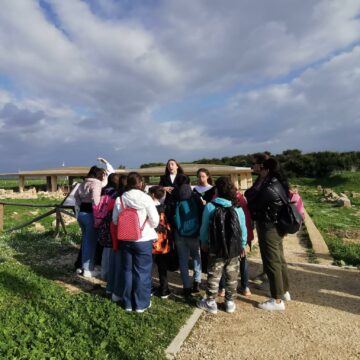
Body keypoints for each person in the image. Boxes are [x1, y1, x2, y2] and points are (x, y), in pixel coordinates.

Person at [245, 158, 291, 311]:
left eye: (262, 168)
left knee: (272, 262)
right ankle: (284, 291)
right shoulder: (279, 183)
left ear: (267, 170)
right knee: (279, 259)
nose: (260, 171)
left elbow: (252, 201)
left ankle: (277, 300)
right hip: (277, 225)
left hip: (269, 227)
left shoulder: (269, 187)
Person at [198, 177, 247, 314]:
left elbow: (204, 228)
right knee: (232, 274)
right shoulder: (237, 207)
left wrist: (204, 242)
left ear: (218, 190)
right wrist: (242, 245)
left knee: (214, 274)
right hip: (233, 248)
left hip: (215, 247)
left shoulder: (210, 206)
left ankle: (210, 302)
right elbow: (242, 229)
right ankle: (230, 302)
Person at [112, 172, 159, 313]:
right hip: (143, 239)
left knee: (127, 271)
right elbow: (155, 221)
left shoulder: (120, 199)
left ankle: (127, 303)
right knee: (142, 272)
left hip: (125, 239)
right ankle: (141, 304)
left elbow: (115, 220)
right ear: (140, 183)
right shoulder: (146, 199)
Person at [172, 175, 203, 297]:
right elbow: (201, 212)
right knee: (196, 255)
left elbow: (171, 215)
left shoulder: (175, 196)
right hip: (194, 231)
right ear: (189, 183)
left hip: (179, 233)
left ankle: (186, 286)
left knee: (183, 260)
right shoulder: (195, 196)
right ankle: (197, 282)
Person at [74, 166, 106, 277]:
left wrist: (80, 205)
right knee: (91, 243)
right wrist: (99, 212)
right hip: (91, 215)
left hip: (81, 213)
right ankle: (88, 269)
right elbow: (95, 199)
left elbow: (76, 196)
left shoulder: (84, 182)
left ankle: (82, 267)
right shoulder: (96, 183)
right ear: (99, 175)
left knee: (85, 241)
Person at [148, 185, 172, 299]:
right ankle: (164, 289)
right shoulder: (163, 207)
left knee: (149, 265)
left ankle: (149, 286)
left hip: (152, 239)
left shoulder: (149, 207)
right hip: (163, 239)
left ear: (152, 194)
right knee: (162, 266)